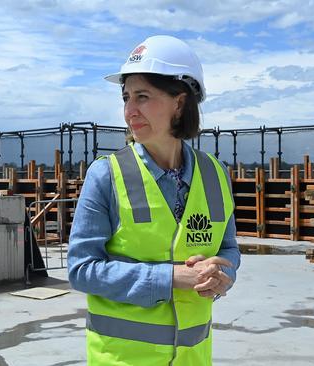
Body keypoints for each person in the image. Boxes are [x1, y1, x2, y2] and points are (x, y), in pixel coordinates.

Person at [68, 35, 241, 365]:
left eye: (143, 97)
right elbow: (81, 269)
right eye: (126, 98)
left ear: (179, 102)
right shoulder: (106, 175)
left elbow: (229, 249)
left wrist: (223, 277)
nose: (130, 110)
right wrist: (173, 278)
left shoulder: (216, 175)